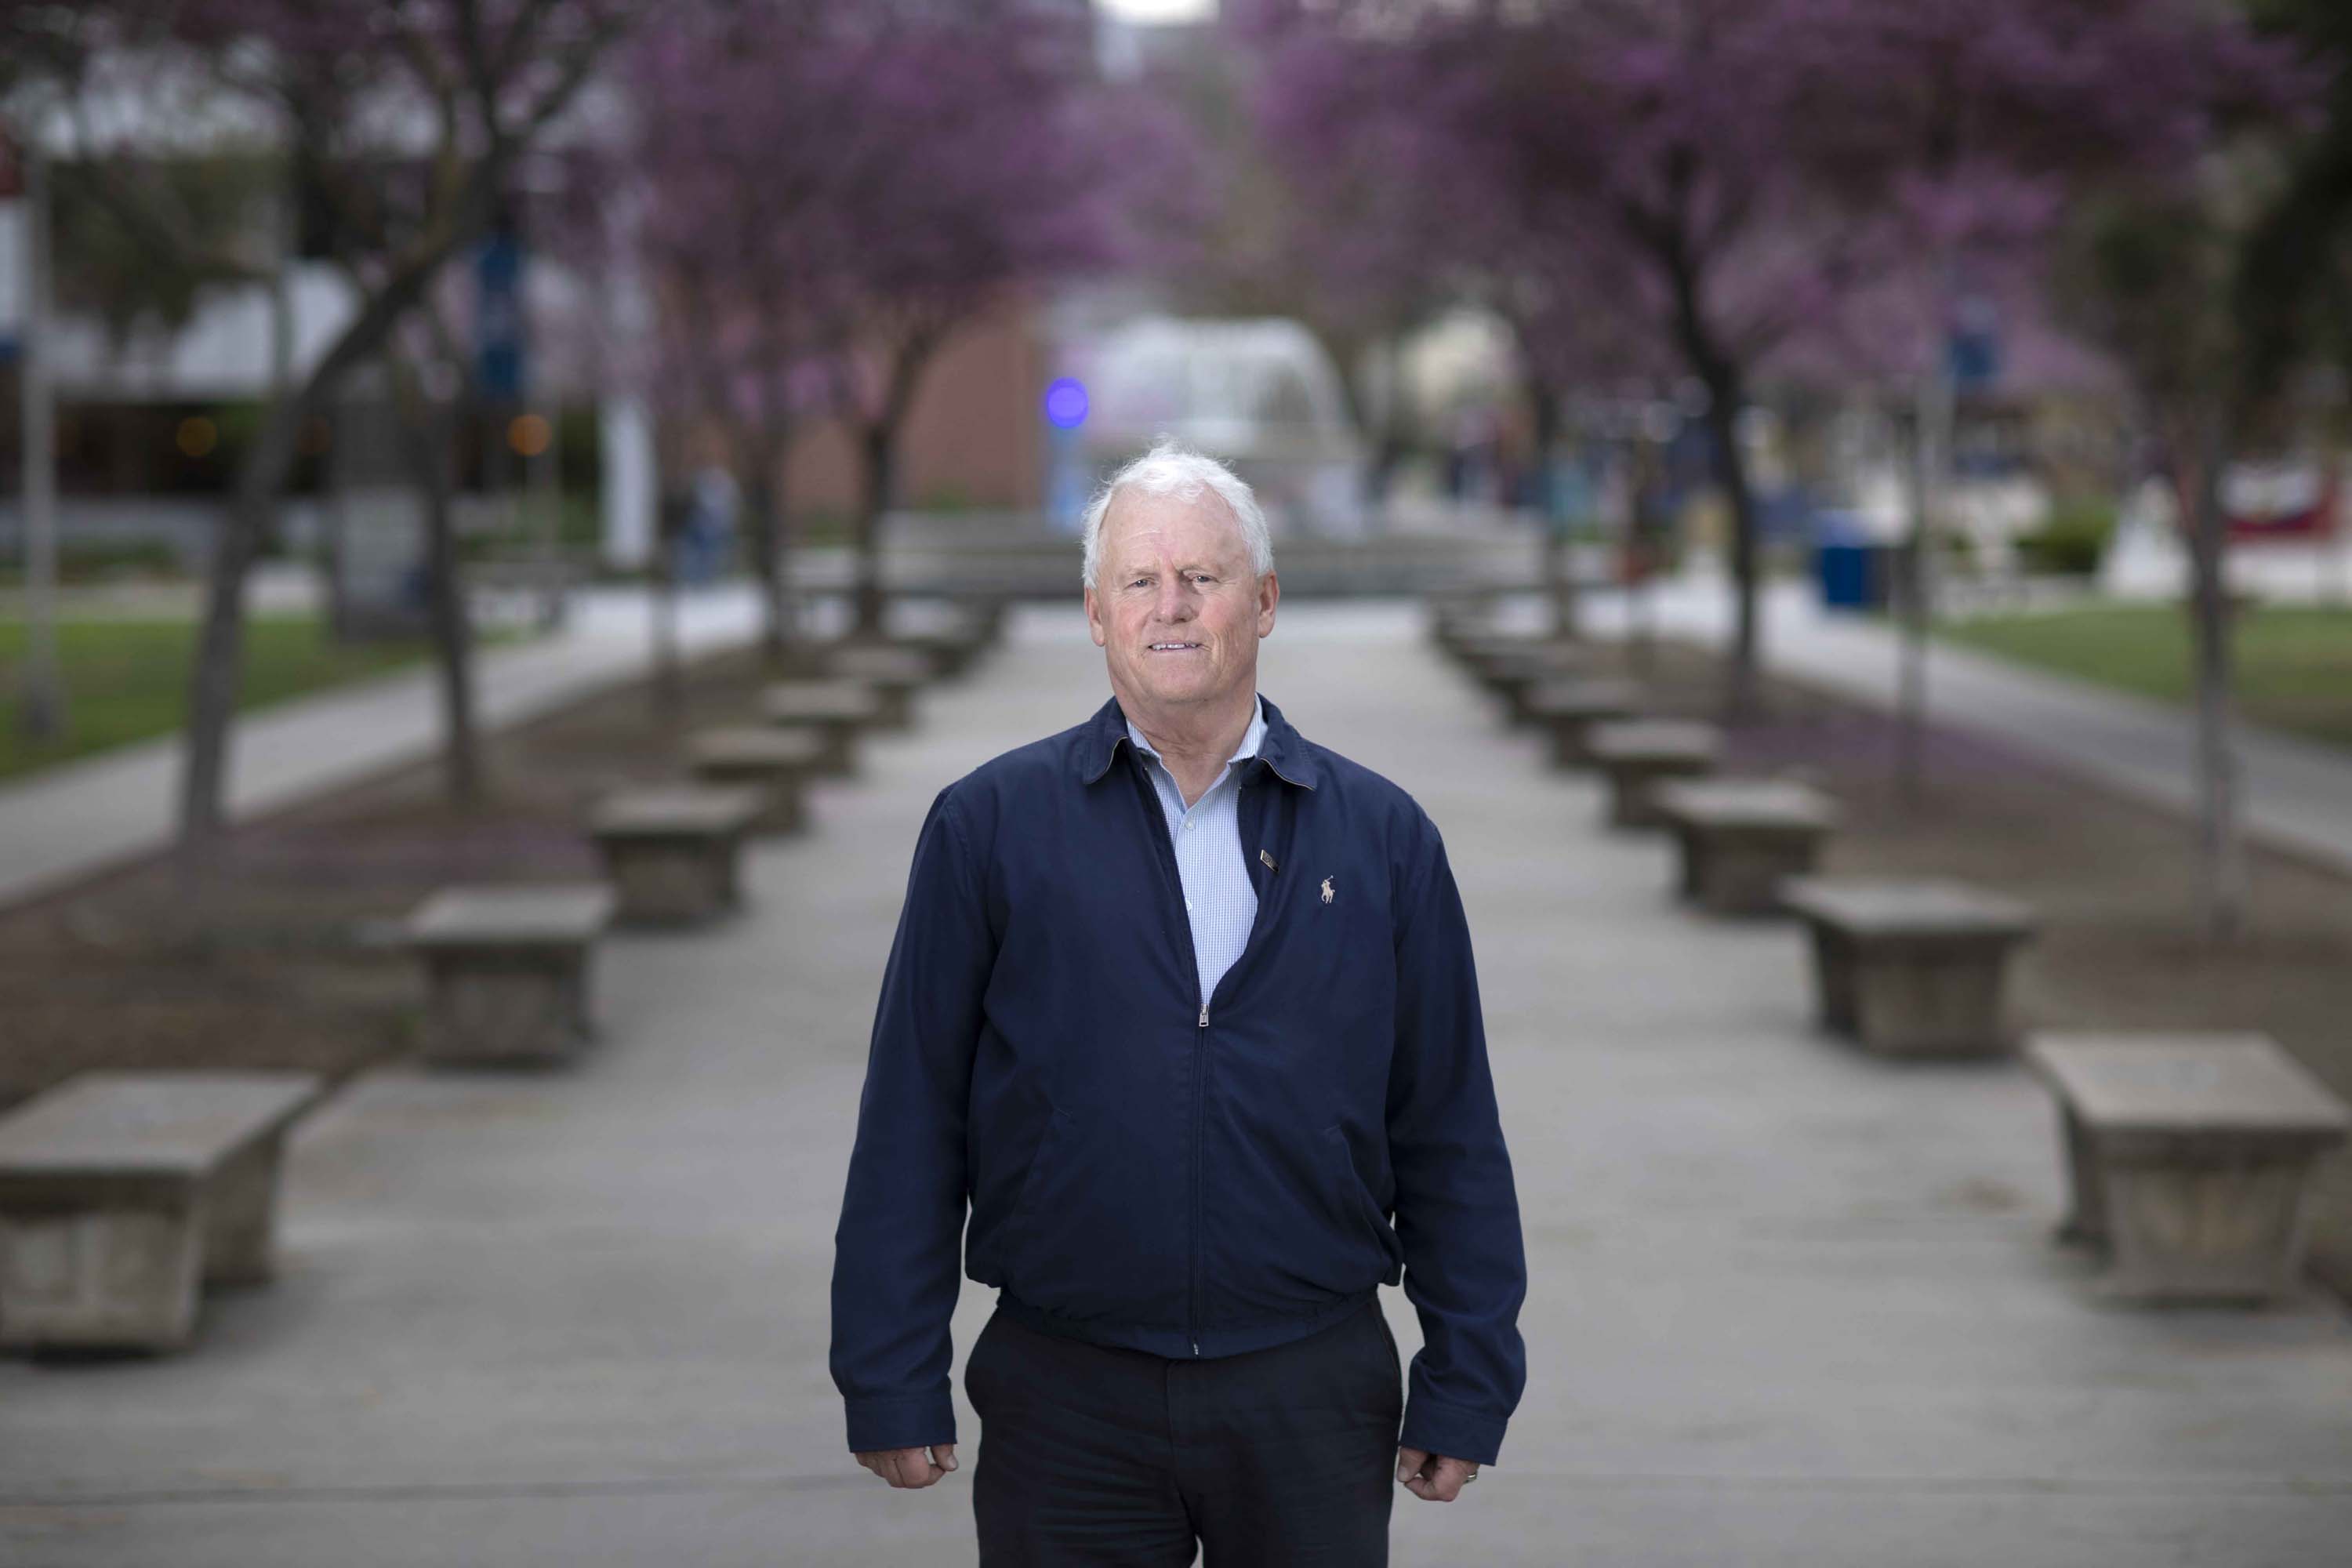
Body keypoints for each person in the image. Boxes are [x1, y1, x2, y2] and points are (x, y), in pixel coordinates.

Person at [829, 440, 1528, 1564]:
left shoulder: (1385, 838)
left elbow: (1447, 1123)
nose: (1172, 608)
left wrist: (1470, 1373)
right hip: (1066, 1392)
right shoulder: (989, 827)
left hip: (1311, 1388)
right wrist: (888, 1368)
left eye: (1201, 579)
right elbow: (913, 1114)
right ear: (1097, 614)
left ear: (1262, 603)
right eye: (1139, 583)